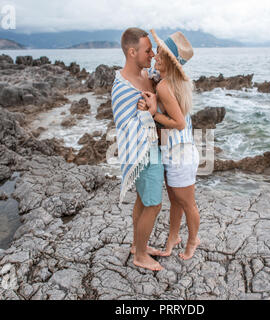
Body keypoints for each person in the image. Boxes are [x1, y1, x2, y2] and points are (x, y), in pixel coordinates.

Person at [138, 30, 200, 260]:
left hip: (180, 154)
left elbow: (180, 123)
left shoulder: (165, 86)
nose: (154, 56)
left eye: (159, 54)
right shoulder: (171, 81)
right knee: (175, 200)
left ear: (167, 61)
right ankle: (173, 237)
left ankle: (193, 240)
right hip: (175, 151)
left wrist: (154, 113)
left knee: (187, 203)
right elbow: (148, 72)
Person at [111, 27, 165, 271]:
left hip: (153, 146)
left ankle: (136, 246)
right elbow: (124, 126)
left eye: (152, 50)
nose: (152, 54)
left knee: (143, 201)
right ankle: (141, 256)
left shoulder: (147, 74)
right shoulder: (122, 87)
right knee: (153, 204)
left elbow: (169, 68)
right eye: (147, 50)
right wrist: (147, 113)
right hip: (142, 152)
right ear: (132, 52)